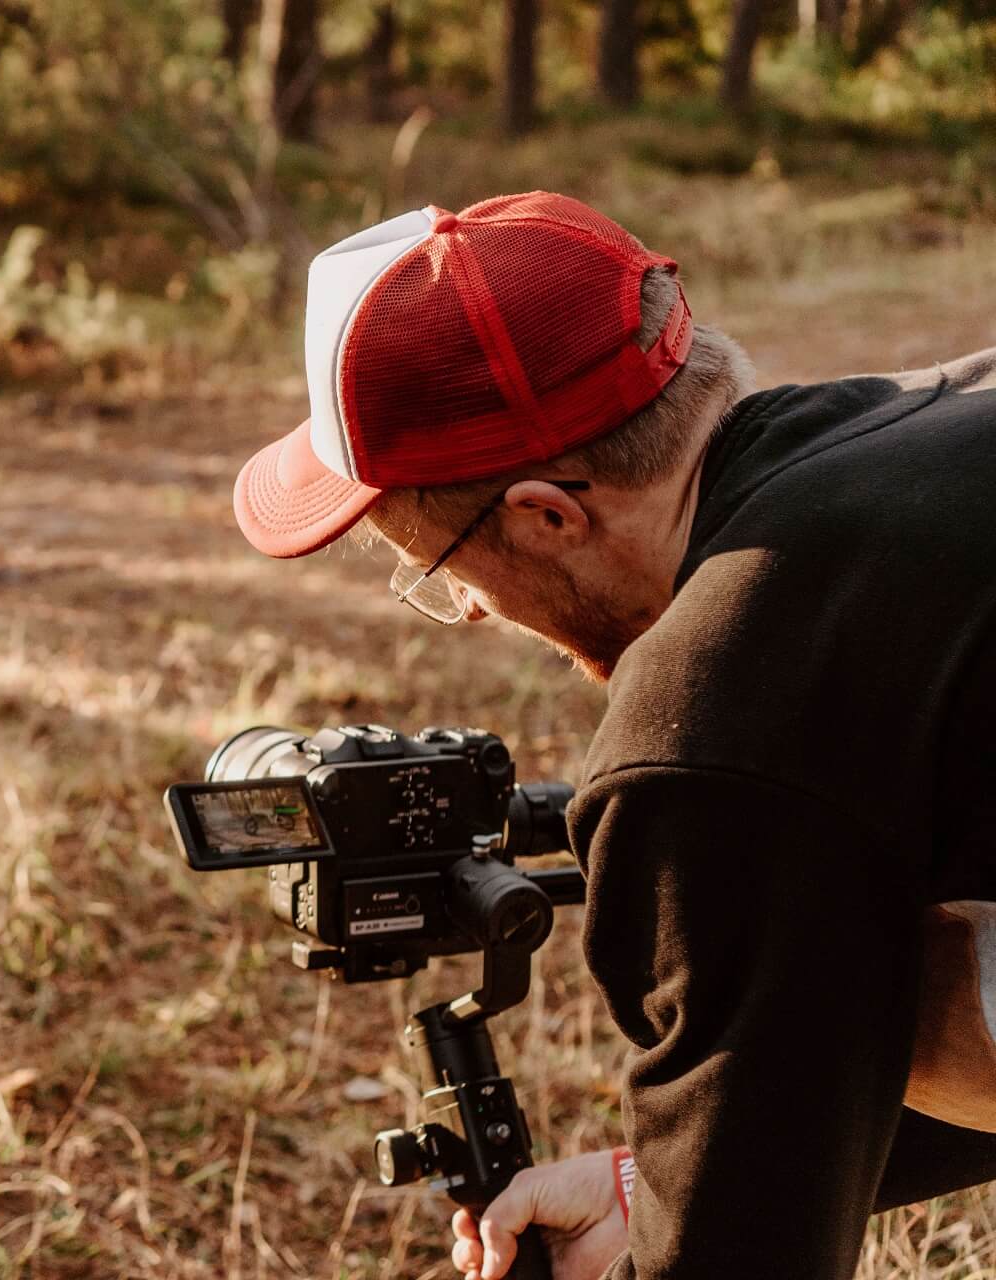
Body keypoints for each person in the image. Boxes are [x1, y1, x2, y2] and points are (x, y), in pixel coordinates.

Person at [228, 191, 996, 1279]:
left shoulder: (721, 705)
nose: (479, 611)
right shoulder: (949, 409)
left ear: (548, 515)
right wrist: (660, 1181)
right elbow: (795, 1091)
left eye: (444, 574)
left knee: (921, 971)